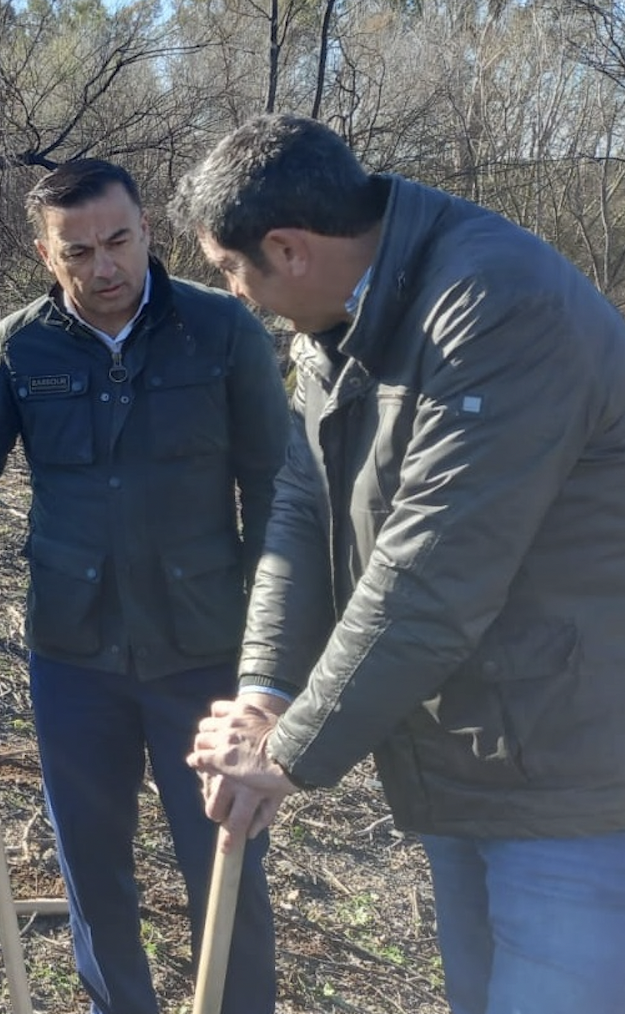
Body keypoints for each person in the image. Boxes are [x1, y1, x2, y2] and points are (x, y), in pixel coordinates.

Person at [176, 114, 625, 1014]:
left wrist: (286, 753)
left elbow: (434, 571)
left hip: (574, 769)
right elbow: (299, 510)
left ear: (288, 248)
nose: (238, 293)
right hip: (466, 750)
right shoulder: (340, 322)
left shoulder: (498, 306)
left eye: (231, 269)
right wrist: (264, 688)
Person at [0, 159, 287, 1014]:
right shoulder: (20, 346)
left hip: (203, 651)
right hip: (73, 653)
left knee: (225, 862)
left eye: (117, 241)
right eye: (77, 251)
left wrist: (271, 652)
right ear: (46, 253)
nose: (103, 267)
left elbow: (278, 492)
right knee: (93, 866)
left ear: (147, 227)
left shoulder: (221, 331)